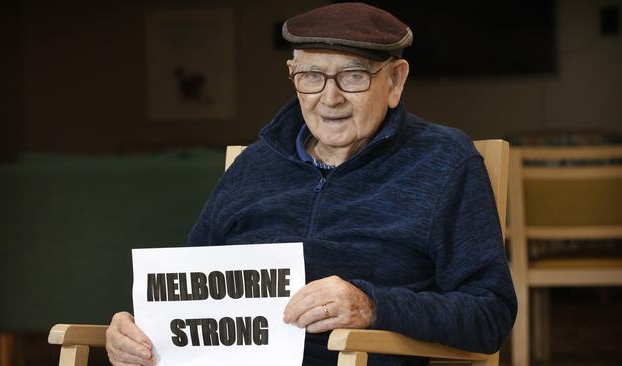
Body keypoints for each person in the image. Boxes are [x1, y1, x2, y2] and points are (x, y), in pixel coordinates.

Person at [106, 3, 517, 366]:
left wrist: (374, 306)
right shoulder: (253, 165)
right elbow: (186, 293)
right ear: (293, 76)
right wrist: (138, 328)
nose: (330, 97)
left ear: (395, 82)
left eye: (353, 76)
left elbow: (489, 314)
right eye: (312, 76)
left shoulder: (444, 160)